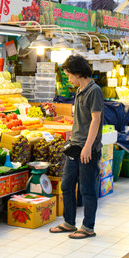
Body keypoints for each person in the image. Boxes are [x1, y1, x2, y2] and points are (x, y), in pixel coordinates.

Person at [49, 55, 104, 239]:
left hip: (87, 148)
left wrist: (88, 147)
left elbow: (96, 120)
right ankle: (69, 222)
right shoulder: (80, 90)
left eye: (69, 75)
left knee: (87, 188)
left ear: (78, 73)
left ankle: (88, 226)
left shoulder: (94, 90)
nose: (68, 79)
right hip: (74, 146)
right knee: (66, 185)